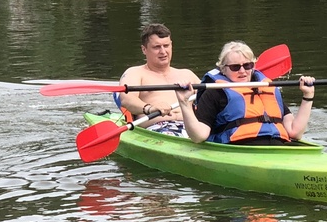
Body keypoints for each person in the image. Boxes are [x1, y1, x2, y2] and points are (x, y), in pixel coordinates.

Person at [175, 40, 315, 145]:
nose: (242, 71)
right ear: (223, 69)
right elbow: (199, 136)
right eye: (235, 67)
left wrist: (308, 96)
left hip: (277, 147)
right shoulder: (214, 92)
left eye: (247, 65)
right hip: (240, 149)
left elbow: (295, 132)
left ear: (253, 66)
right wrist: (184, 103)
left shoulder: (268, 88)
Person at [117, 23, 200, 136]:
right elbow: (127, 100)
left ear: (171, 45)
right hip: (158, 128)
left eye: (166, 46)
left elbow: (210, 98)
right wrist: (150, 108)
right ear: (144, 49)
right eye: (157, 47)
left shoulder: (187, 74)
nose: (163, 51)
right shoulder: (135, 73)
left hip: (192, 129)